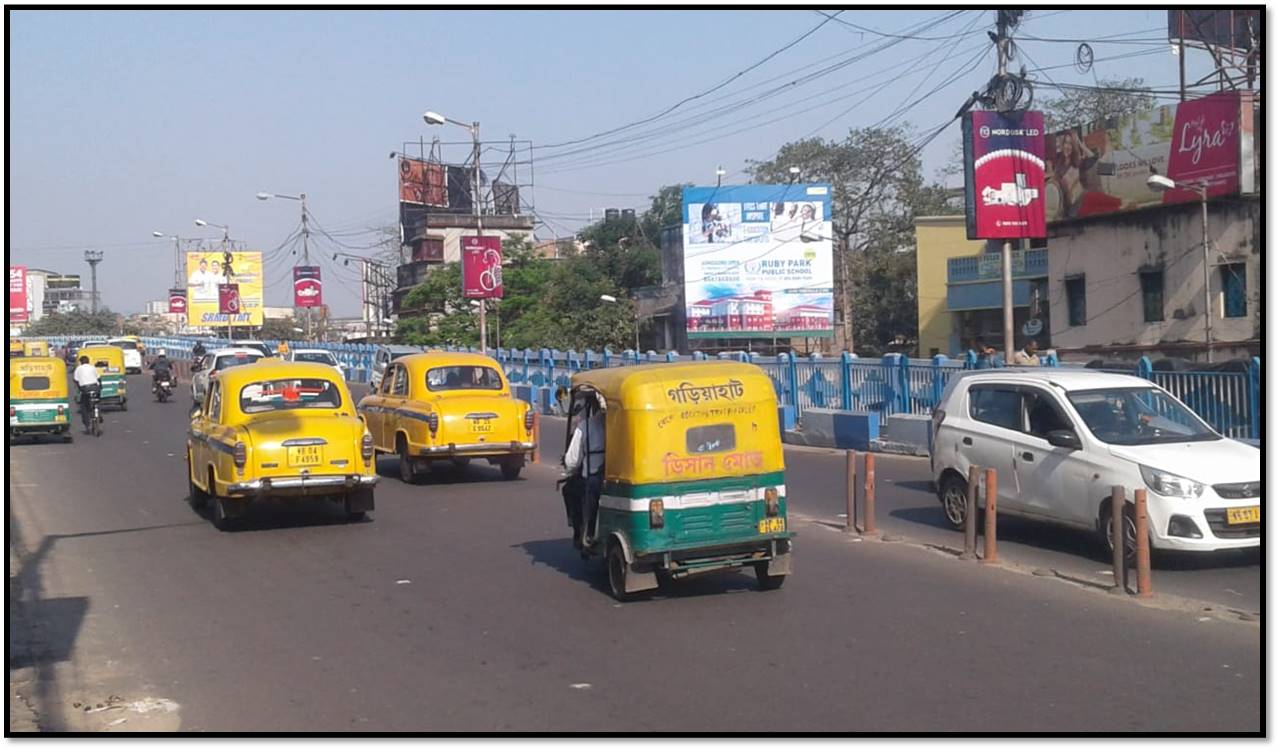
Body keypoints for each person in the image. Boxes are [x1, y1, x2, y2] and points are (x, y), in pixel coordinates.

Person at [562, 395, 606, 551]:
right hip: (615, 476)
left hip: (594, 479)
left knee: (568, 489)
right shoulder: (617, 423)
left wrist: (569, 469)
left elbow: (572, 461)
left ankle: (582, 531)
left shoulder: (586, 426)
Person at [72, 355, 101, 432]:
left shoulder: (78, 369)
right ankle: (98, 412)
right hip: (95, 387)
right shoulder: (92, 367)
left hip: (85, 389)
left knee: (84, 406)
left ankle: (87, 423)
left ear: (81, 362)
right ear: (88, 361)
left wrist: (79, 388)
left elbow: (76, 380)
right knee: (97, 400)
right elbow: (98, 378)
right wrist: (100, 387)